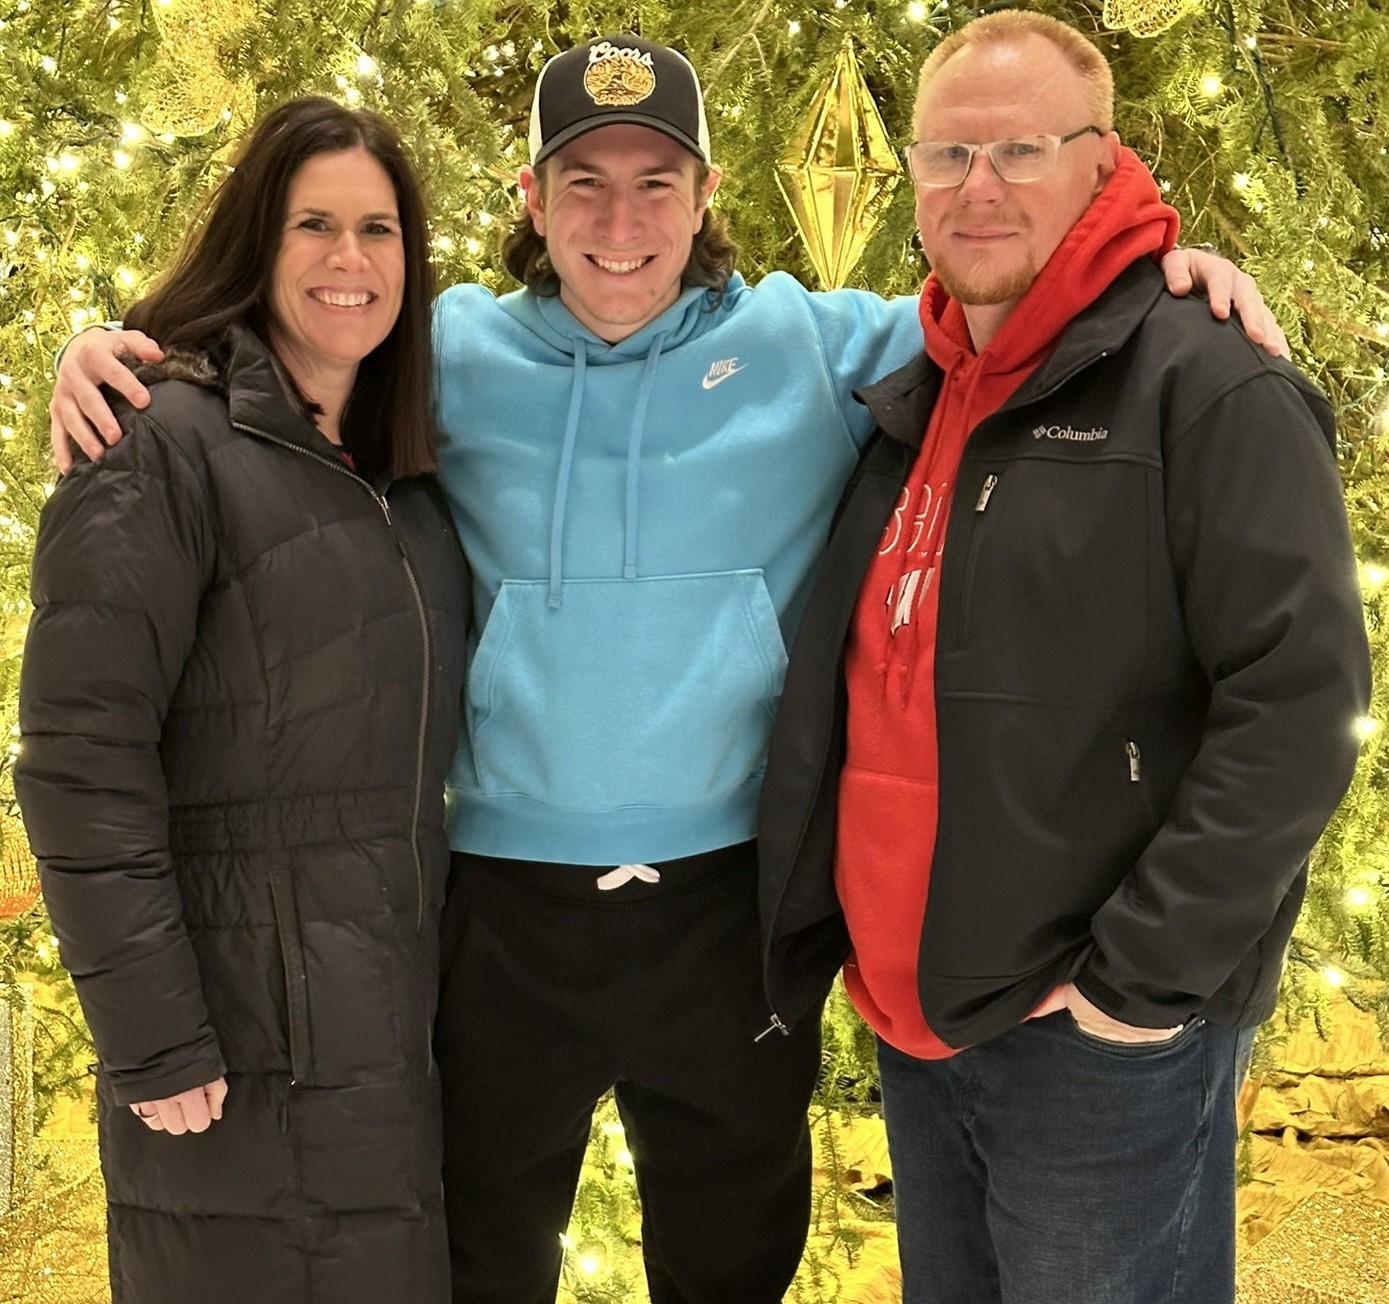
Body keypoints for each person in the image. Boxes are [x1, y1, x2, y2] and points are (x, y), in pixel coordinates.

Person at [49, 34, 1288, 1304]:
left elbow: (1015, 321)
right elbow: (282, 357)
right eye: (583, 181)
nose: (620, 219)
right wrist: (118, 350)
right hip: (502, 909)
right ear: (530, 200)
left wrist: (1166, 276)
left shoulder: (817, 345)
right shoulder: (447, 352)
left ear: (706, 197)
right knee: (484, 1256)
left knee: (732, 1253)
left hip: (727, 907)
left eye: (657, 180)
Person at [758, 10, 1370, 1304]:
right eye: (944, 156)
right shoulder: (911, 391)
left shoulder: (1203, 387)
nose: (977, 189)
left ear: (1104, 164)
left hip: (1095, 1048)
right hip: (920, 1024)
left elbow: (1304, 698)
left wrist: (1135, 988)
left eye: (1022, 151)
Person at [17, 97, 469, 1304]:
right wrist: (153, 1034)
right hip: (232, 1046)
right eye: (312, 223)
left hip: (387, 1034)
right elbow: (79, 755)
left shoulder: (400, 477)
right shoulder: (154, 444)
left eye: (379, 229)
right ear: (253, 241)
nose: (349, 259)